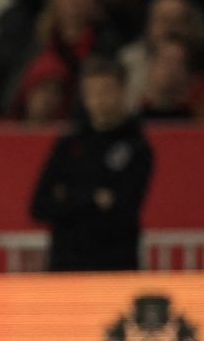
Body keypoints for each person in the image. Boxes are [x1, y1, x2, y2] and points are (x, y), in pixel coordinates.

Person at [30, 57, 155, 272]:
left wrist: (68, 197)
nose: (99, 100)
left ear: (123, 90)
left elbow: (122, 212)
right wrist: (93, 198)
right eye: (92, 92)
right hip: (66, 267)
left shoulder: (137, 146)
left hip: (114, 267)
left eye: (106, 90)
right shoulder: (69, 143)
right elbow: (39, 206)